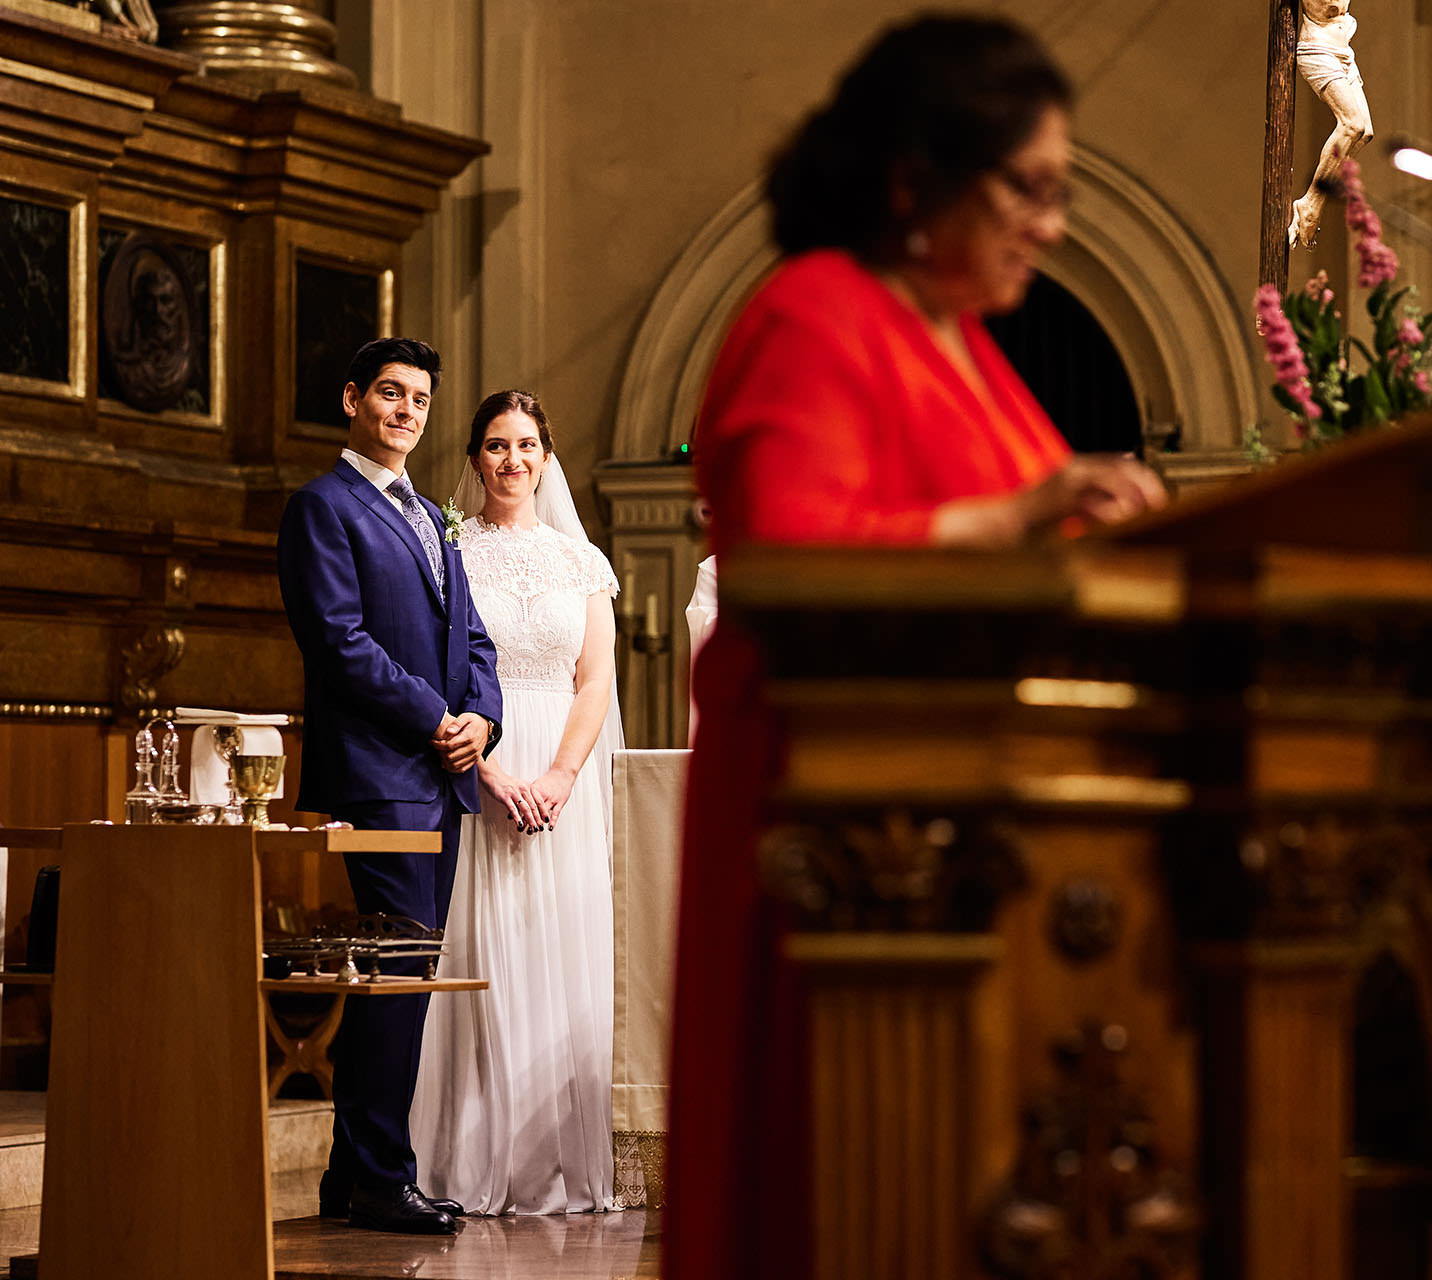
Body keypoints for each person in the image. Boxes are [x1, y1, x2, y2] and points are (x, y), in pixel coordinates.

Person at [665, 15, 1166, 1279]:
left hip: (978, 831)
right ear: (913, 176)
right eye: (1030, 189)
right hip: (852, 849)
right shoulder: (813, 314)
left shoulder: (960, 338)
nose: (1050, 225)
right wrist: (1029, 513)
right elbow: (789, 557)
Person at [277, 337, 503, 1236]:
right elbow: (336, 642)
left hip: (441, 775)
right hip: (381, 776)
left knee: (401, 977)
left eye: (419, 399)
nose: (407, 410)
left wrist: (482, 717)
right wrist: (434, 718)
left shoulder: (433, 517)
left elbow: (472, 640)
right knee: (398, 980)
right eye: (389, 394)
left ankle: (352, 1177)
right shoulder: (322, 507)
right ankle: (379, 1176)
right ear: (351, 401)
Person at [410, 390, 621, 1215]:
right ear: (473, 459)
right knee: (481, 950)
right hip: (479, 761)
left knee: (557, 940)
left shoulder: (581, 562)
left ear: (546, 456)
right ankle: (466, 1158)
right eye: (495, 446)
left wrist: (563, 776)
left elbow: (595, 678)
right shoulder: (451, 553)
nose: (511, 460)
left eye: (526, 445)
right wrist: (488, 773)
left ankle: (553, 1160)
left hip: (563, 771)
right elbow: (439, 670)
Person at [1289, 0, 1374, 249]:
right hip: (1318, 50)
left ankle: (1320, 192)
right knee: (1352, 125)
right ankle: (1311, 202)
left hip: (1344, 52)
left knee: (1365, 132)